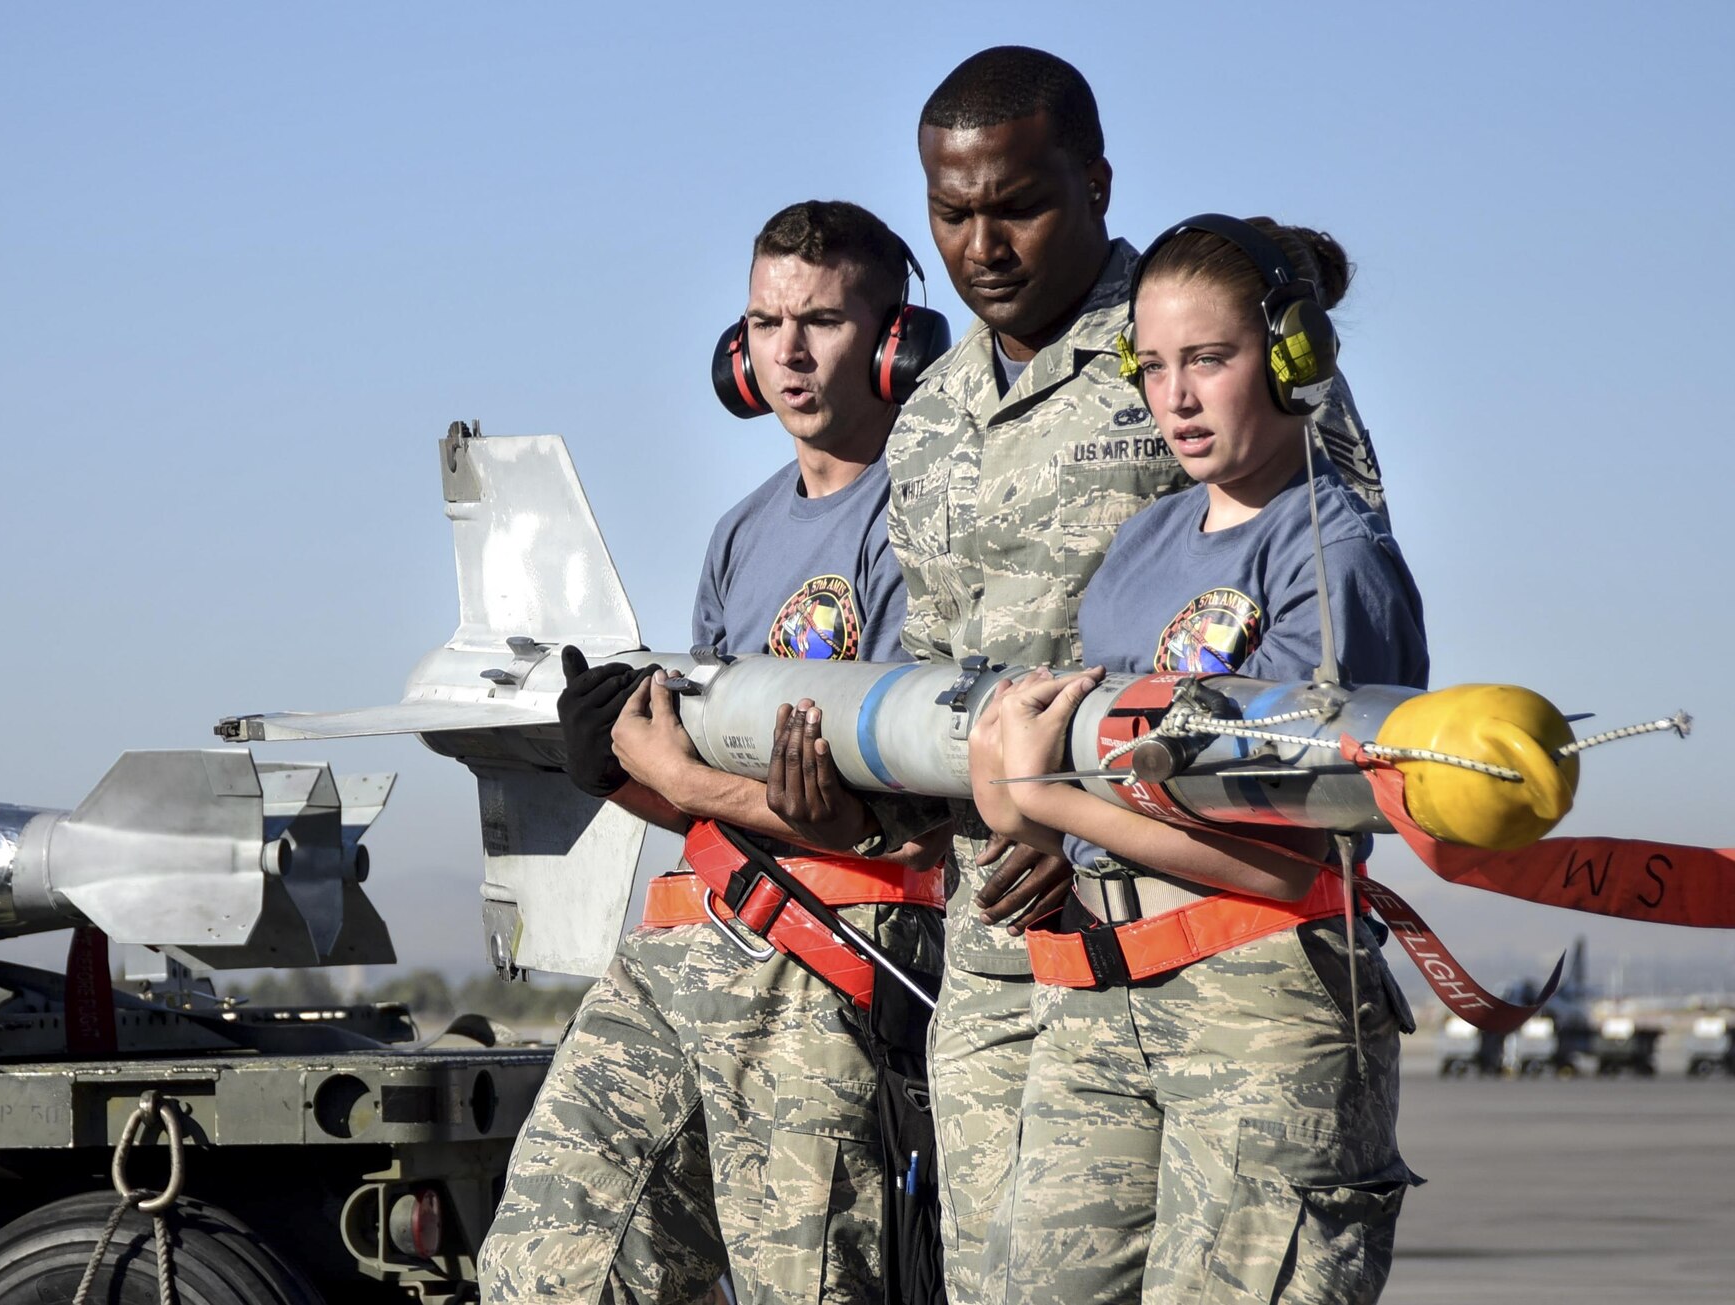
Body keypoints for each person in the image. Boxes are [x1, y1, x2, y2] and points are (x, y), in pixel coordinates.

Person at [868, 47, 1390, 1305]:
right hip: (999, 930)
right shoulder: (928, 414)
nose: (981, 244)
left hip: (1204, 923)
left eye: (1016, 204)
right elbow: (935, 670)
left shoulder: (1198, 338)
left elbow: (1331, 603)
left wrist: (1100, 824)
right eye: (951, 213)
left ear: (1096, 182)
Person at [476, 200, 949, 1305]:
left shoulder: (922, 521)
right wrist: (620, 771)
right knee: (549, 1269)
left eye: (822, 321)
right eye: (763, 321)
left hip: (830, 958)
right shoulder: (740, 531)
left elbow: (890, 810)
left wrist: (683, 778)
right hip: (688, 936)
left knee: (815, 1286)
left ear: (894, 341)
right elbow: (720, 800)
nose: (786, 351)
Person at [966, 215, 1426, 1303]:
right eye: (1152, 365)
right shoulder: (1139, 546)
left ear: (1287, 357)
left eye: (1208, 360)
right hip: (1098, 996)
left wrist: (1043, 801)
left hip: (1262, 1015)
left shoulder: (1331, 550)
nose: (1173, 397)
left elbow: (1296, 863)